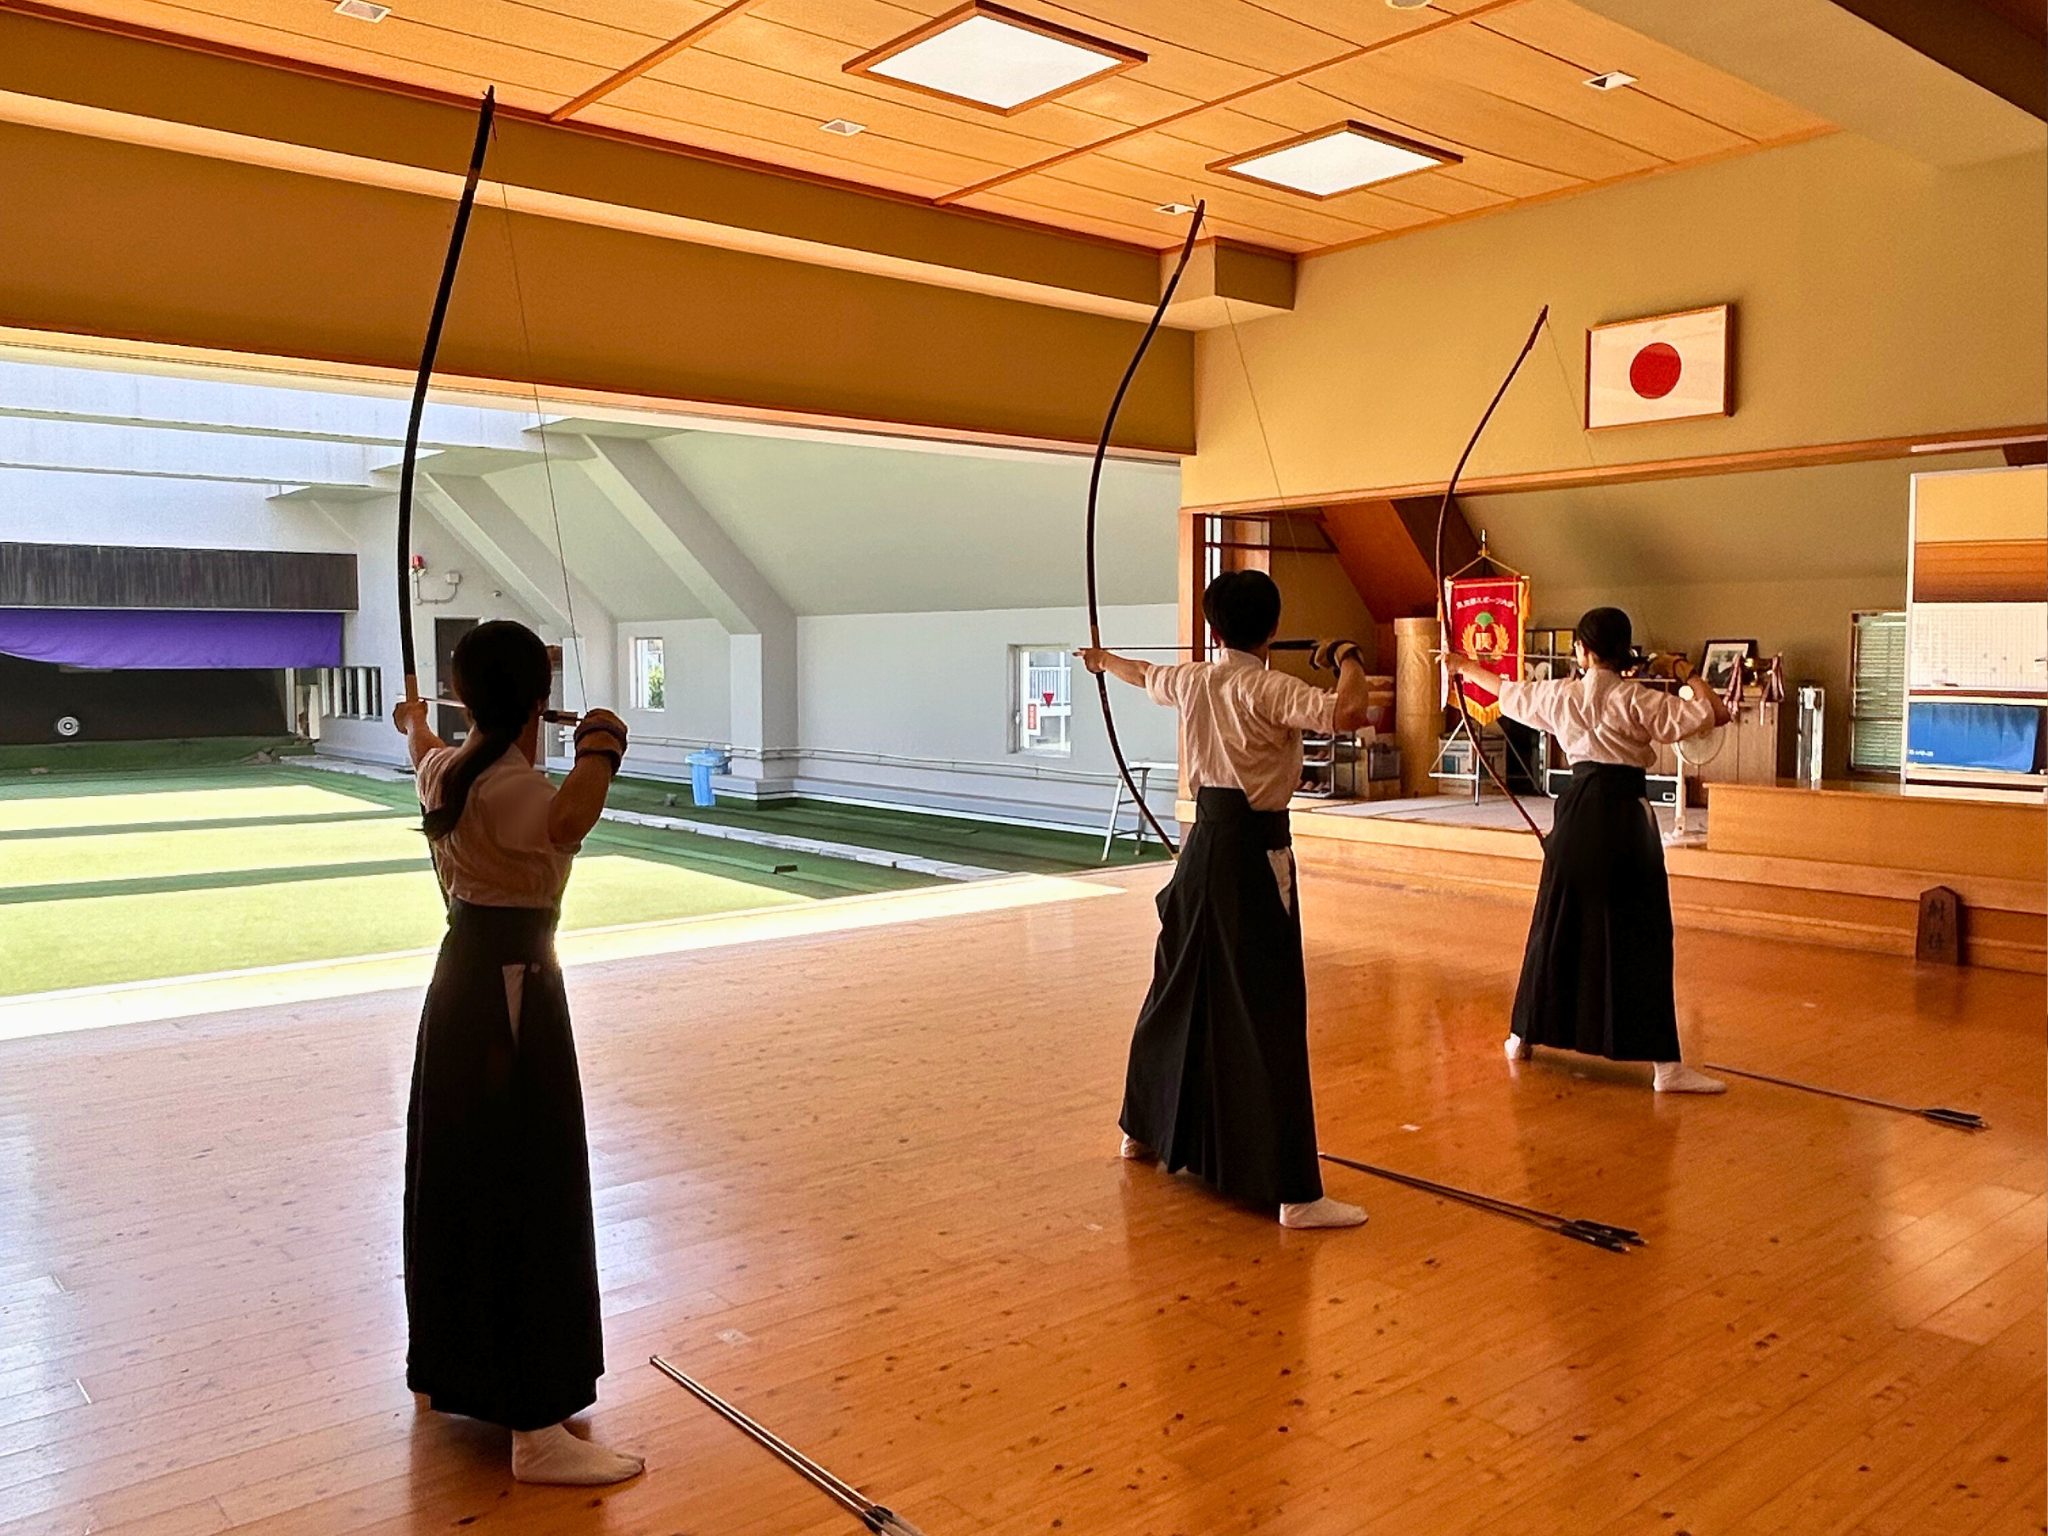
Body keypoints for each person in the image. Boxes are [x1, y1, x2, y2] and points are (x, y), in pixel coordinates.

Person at [391, 620, 644, 1485]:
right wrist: (602, 744)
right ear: (540, 696)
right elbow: (571, 816)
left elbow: (425, 747)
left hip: (463, 984)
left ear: (464, 697)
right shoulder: (514, 789)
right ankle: (534, 1430)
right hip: (514, 993)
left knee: (465, 1174)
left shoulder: (446, 768)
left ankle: (455, 1368)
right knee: (526, 1186)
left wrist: (416, 721)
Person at [1079, 569, 1382, 1229]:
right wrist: (1349, 657)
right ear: (1272, 628)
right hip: (1252, 856)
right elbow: (1348, 711)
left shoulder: (1193, 679)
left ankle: (1143, 1129)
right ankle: (1296, 1194)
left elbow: (1140, 673)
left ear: (1214, 629)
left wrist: (1101, 660)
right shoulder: (1268, 687)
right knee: (1268, 1008)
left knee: (1178, 986)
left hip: (1202, 852)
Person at [1448, 606, 1733, 1094]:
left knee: (1556, 922)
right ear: (1622, 651)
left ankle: (1521, 1037)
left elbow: (1505, 691)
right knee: (1642, 934)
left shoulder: (1561, 694)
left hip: (1577, 814)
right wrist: (1683, 670)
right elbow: (1716, 711)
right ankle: (1666, 1067)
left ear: (1582, 650)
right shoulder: (1638, 700)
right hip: (1625, 818)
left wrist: (1461, 666)